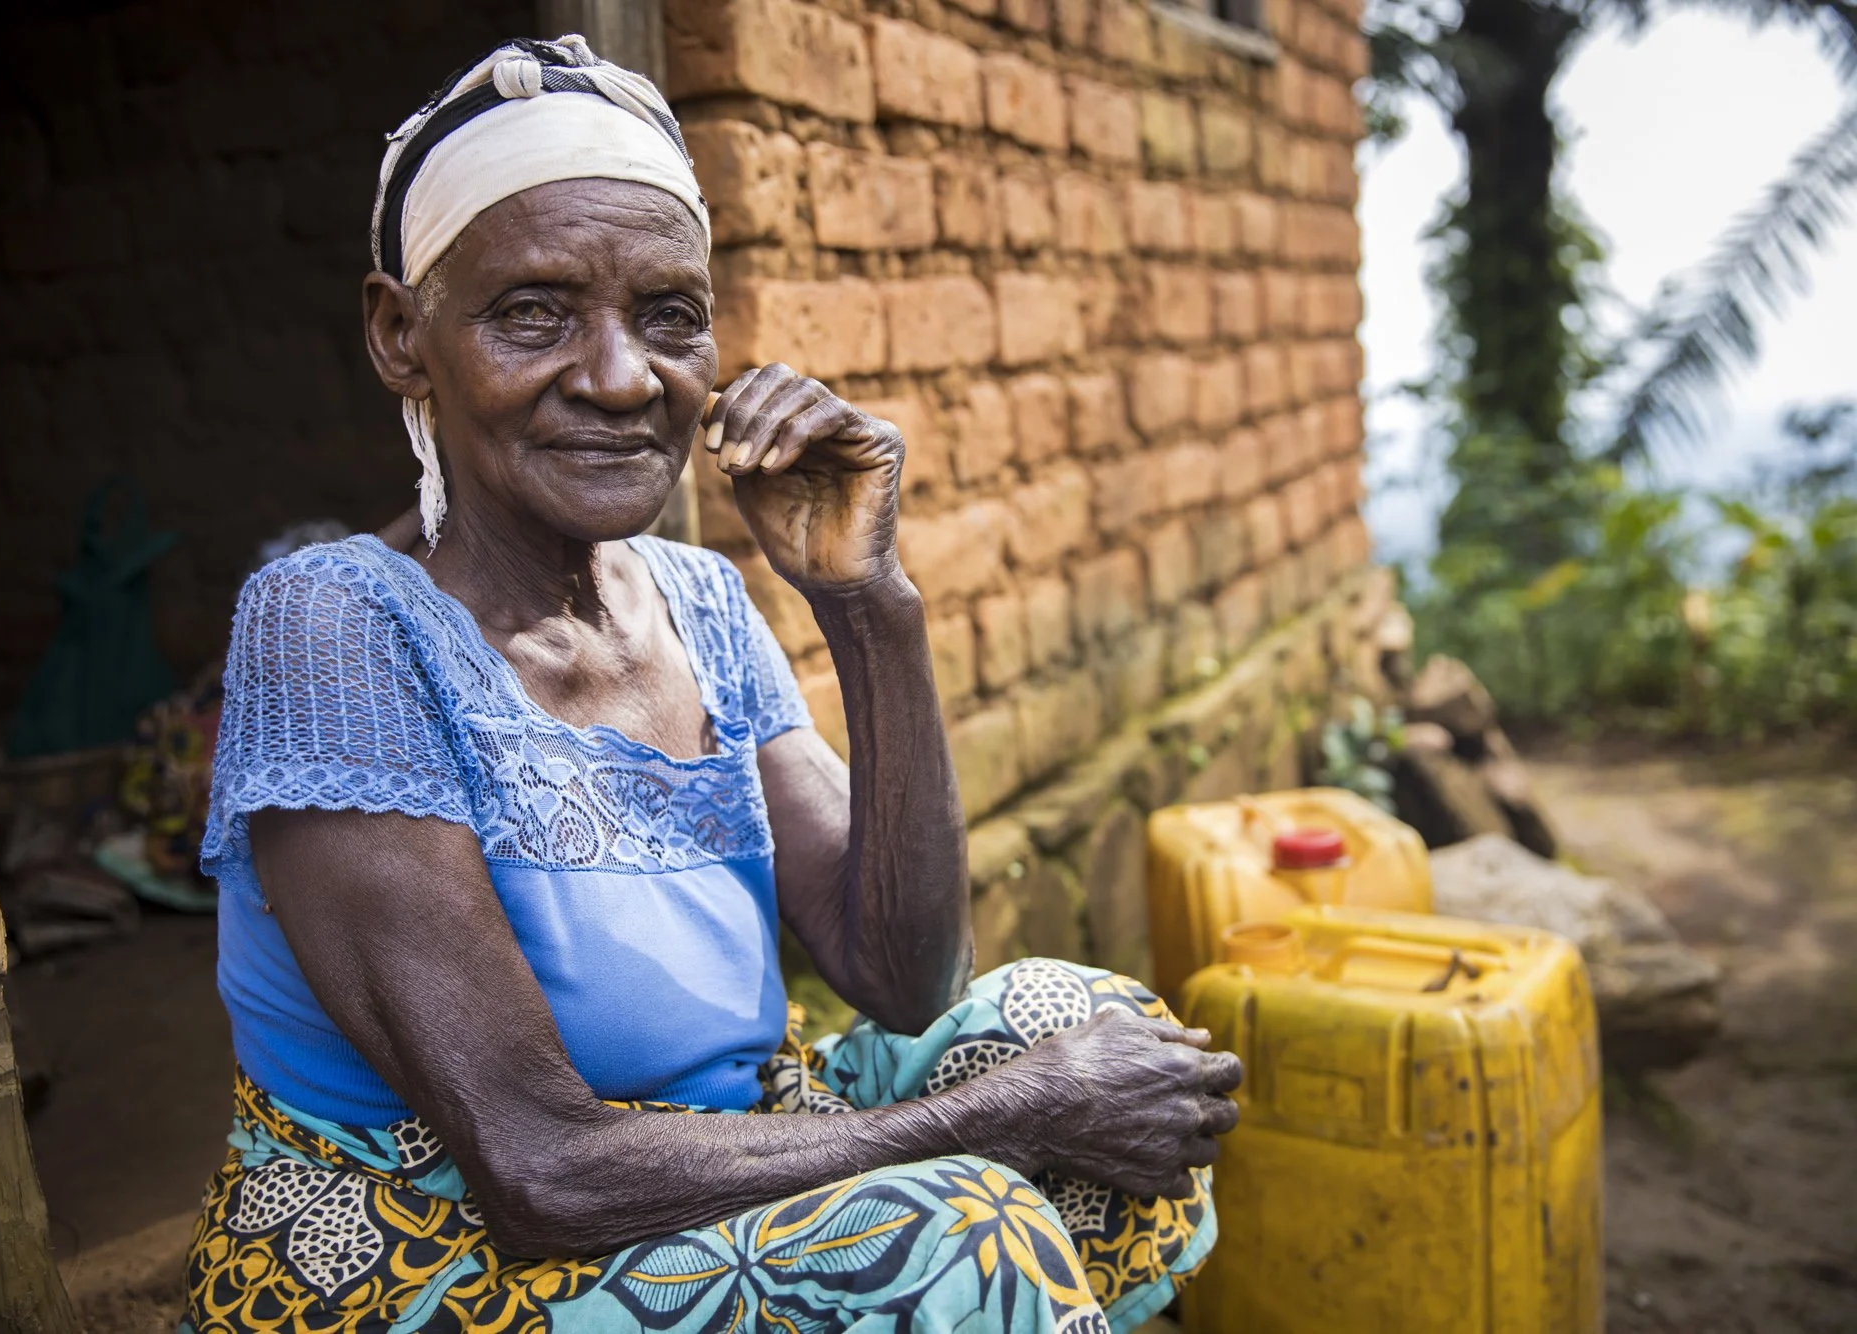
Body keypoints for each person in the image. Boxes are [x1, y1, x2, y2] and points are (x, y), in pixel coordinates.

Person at [181, 37, 1241, 1334]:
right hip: (421, 1242)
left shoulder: (697, 601)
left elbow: (906, 974)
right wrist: (998, 1119)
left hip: (698, 1159)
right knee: (966, 1224)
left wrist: (870, 609)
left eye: (670, 315)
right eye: (535, 311)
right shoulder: (335, 624)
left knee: (1084, 1019)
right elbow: (534, 1162)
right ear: (404, 337)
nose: (626, 377)